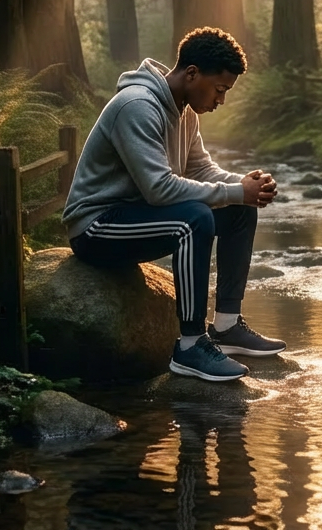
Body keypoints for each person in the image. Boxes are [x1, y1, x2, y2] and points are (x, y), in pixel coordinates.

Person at [62, 26, 286, 383]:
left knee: (240, 210)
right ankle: (190, 346)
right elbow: (159, 190)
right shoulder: (137, 106)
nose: (221, 100)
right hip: (98, 226)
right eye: (219, 89)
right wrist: (234, 191)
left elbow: (201, 169)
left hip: (139, 216)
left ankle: (226, 327)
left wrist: (244, 186)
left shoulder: (186, 112)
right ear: (192, 73)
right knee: (193, 219)